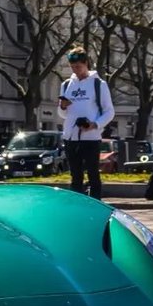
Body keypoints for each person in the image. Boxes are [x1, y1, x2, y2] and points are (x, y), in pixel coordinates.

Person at [57, 45, 114, 198]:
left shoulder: (98, 84)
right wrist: (62, 106)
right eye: (73, 67)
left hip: (91, 138)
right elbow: (62, 114)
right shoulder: (67, 85)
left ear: (86, 64)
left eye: (79, 67)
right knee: (75, 176)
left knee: (93, 175)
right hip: (71, 137)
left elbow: (109, 111)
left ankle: (96, 205)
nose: (76, 70)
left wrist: (95, 124)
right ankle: (76, 208)